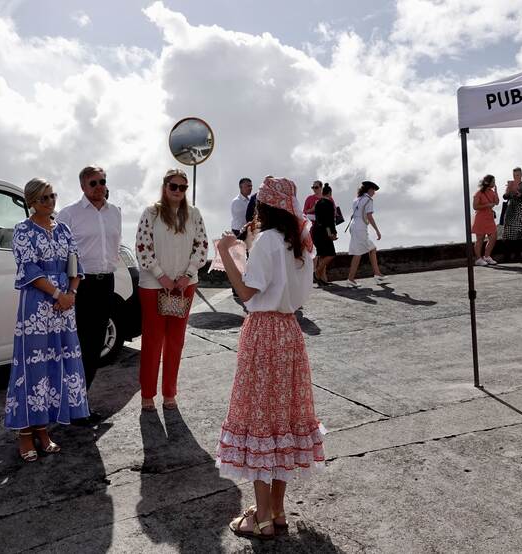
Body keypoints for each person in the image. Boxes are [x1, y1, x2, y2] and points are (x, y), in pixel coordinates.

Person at [215, 177, 325, 540]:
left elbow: (247, 290)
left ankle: (261, 517)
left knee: (260, 419)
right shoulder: (301, 244)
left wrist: (227, 251)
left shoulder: (267, 242)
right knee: (282, 421)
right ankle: (276, 510)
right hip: (290, 331)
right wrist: (248, 245)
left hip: (263, 332)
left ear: (264, 207)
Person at [4, 178, 89, 461]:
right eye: (44, 198)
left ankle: (44, 430)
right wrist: (57, 294)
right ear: (32, 202)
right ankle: (25, 434)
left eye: (53, 196)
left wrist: (71, 293)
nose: (50, 202)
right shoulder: (23, 231)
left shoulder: (63, 229)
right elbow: (28, 269)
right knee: (33, 367)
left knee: (56, 364)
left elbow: (75, 264)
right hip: (38, 307)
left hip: (64, 307)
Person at [134, 169, 208, 412]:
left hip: (184, 285)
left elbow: (201, 245)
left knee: (176, 341)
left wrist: (187, 275)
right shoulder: (151, 213)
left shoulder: (194, 214)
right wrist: (161, 276)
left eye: (182, 187)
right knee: (153, 341)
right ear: (164, 187)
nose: (178, 191)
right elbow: (143, 247)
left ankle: (169, 393)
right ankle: (147, 395)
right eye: (173, 186)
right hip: (154, 285)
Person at [56, 165, 121, 425]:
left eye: (103, 181)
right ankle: (70, 405)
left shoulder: (115, 212)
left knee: (95, 348)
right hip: (81, 285)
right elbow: (59, 254)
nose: (99, 186)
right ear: (83, 186)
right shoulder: (69, 214)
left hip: (106, 284)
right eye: (93, 183)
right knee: (77, 347)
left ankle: (80, 403)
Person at [346, 181, 386, 286]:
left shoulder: (356, 199)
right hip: (360, 228)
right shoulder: (368, 200)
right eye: (373, 190)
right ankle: (350, 279)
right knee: (358, 254)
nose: (374, 193)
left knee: (372, 249)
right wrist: (377, 230)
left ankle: (377, 273)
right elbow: (369, 216)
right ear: (369, 189)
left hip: (354, 226)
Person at [501, 167, 522, 262]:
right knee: (508, 234)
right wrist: (508, 190)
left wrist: (516, 191)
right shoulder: (510, 184)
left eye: (518, 175)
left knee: (521, 234)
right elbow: (505, 196)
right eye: (515, 175)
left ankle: (518, 255)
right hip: (511, 211)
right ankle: (507, 256)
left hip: (521, 211)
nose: (516, 177)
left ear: (521, 175)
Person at [311, 184, 337, 285]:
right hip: (324, 232)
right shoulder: (329, 203)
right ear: (330, 193)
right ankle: (317, 273)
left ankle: (321, 279)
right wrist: (332, 234)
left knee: (323, 254)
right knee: (330, 254)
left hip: (316, 231)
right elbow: (329, 221)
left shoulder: (318, 203)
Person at [471, 174, 499, 267]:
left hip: (489, 218)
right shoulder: (478, 193)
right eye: (493, 182)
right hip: (481, 218)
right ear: (488, 182)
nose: (494, 183)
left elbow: (497, 202)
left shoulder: (492, 192)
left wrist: (496, 192)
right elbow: (475, 206)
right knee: (480, 239)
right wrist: (487, 206)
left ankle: (487, 256)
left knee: (493, 236)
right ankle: (478, 259)